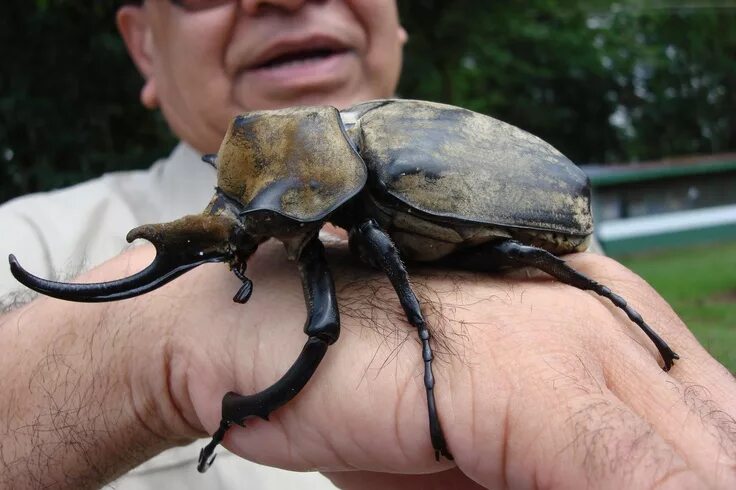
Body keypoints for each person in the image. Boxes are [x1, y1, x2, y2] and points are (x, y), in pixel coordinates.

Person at [1, 1, 734, 489]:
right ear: (143, 46)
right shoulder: (32, 228)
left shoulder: (381, 178)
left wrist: (423, 332)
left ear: (396, 17)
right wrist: (127, 355)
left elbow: (542, 251)